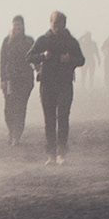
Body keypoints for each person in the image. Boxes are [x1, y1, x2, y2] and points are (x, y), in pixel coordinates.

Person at [28, 13, 83, 163]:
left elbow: (81, 60)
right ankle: (51, 154)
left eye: (60, 24)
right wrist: (42, 56)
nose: (57, 26)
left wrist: (70, 59)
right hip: (47, 84)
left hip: (65, 84)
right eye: (54, 23)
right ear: (50, 23)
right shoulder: (43, 40)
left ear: (65, 24)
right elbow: (29, 57)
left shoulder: (71, 42)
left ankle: (62, 153)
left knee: (63, 119)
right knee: (49, 121)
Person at [0, 15, 35, 143]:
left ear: (23, 26)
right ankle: (10, 130)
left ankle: (17, 135)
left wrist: (39, 70)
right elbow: (2, 61)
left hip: (25, 79)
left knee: (21, 107)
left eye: (20, 24)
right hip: (10, 80)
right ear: (12, 26)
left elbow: (35, 58)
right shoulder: (7, 41)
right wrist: (2, 79)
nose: (18, 27)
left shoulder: (29, 41)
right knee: (9, 108)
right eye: (15, 25)